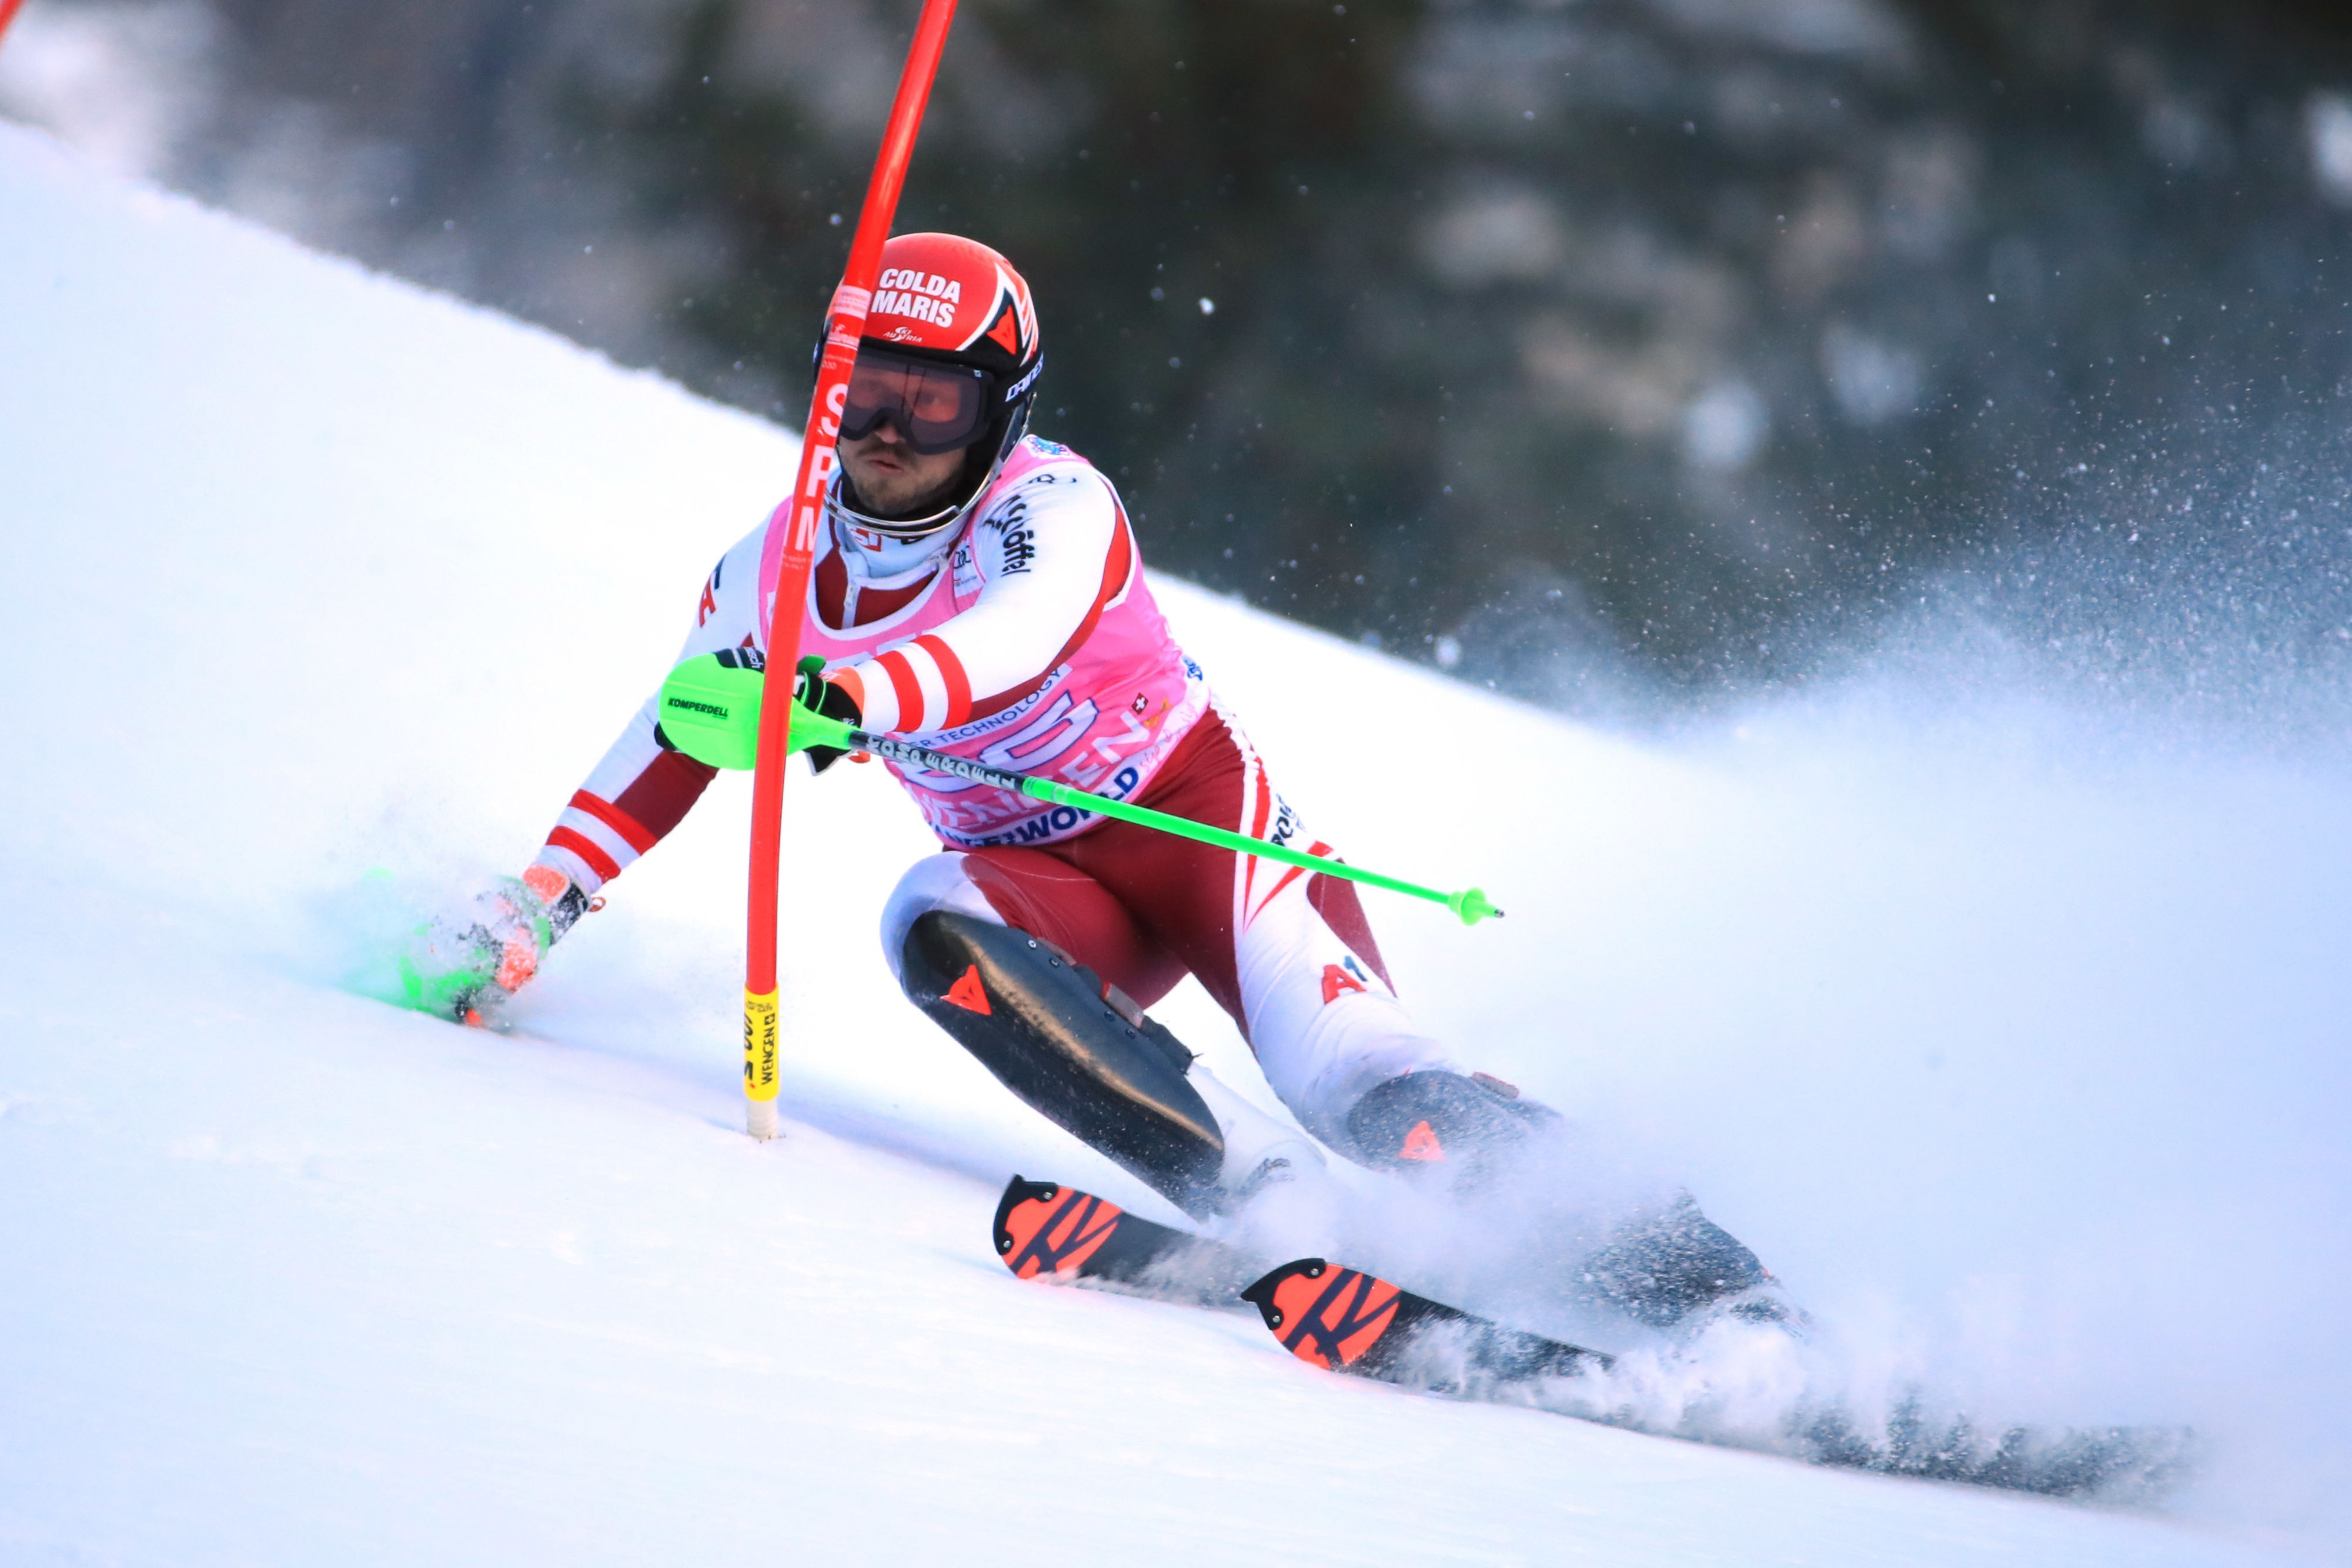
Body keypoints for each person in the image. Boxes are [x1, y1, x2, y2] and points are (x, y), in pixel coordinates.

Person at [403, 232, 1779, 1332]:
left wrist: (843, 695)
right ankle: (1255, 1192)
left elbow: (998, 649)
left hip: (1196, 832)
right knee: (928, 921)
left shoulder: (1053, 508)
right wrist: (539, 903)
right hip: (1050, 891)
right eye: (860, 387)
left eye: (928, 398)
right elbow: (675, 729)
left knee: (1376, 1090)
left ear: (997, 410)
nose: (887, 427)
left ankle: (1720, 1286)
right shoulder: (773, 562)